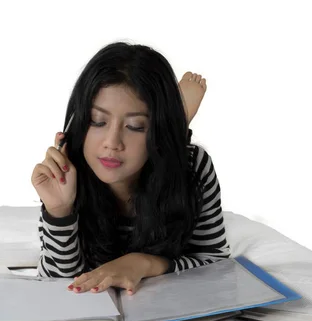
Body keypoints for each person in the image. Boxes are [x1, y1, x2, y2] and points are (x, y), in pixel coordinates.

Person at [30, 41, 231, 295]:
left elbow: (217, 263)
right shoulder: (67, 172)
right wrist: (59, 212)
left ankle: (174, 124)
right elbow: (57, 287)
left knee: (172, 154)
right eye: (97, 121)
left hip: (165, 155)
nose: (112, 144)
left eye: (135, 126)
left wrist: (144, 262)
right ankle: (177, 118)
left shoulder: (193, 166)